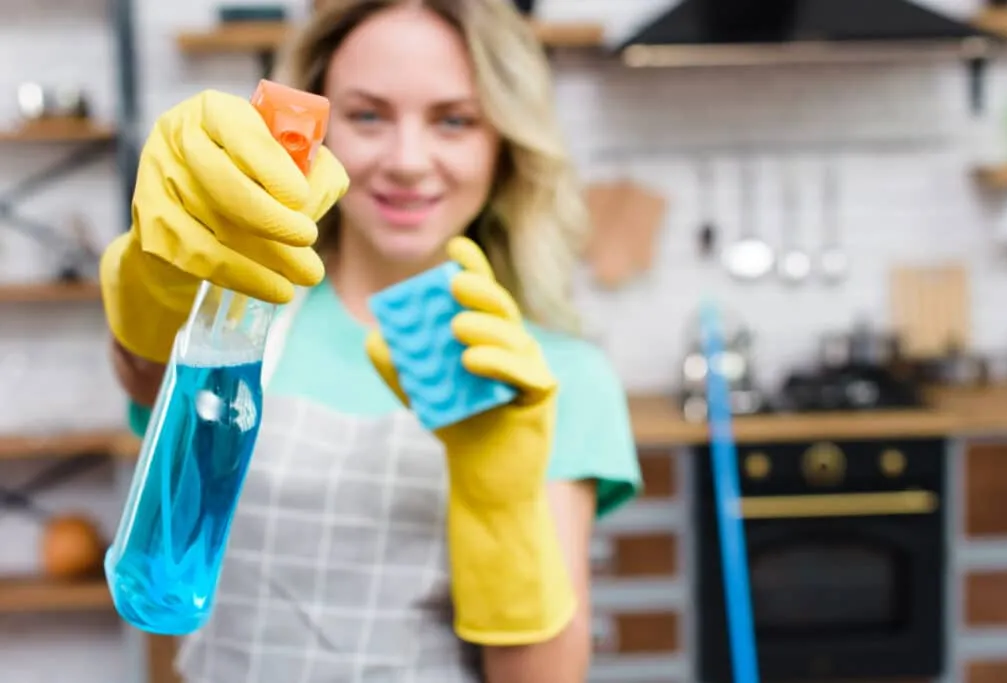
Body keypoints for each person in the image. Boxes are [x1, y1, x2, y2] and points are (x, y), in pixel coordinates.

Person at [101, 0, 642, 681]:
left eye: (454, 119)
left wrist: (499, 509)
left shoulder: (551, 372)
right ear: (317, 132)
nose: (408, 161)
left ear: (503, 142)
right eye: (366, 115)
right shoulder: (247, 314)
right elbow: (148, 375)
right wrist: (160, 278)